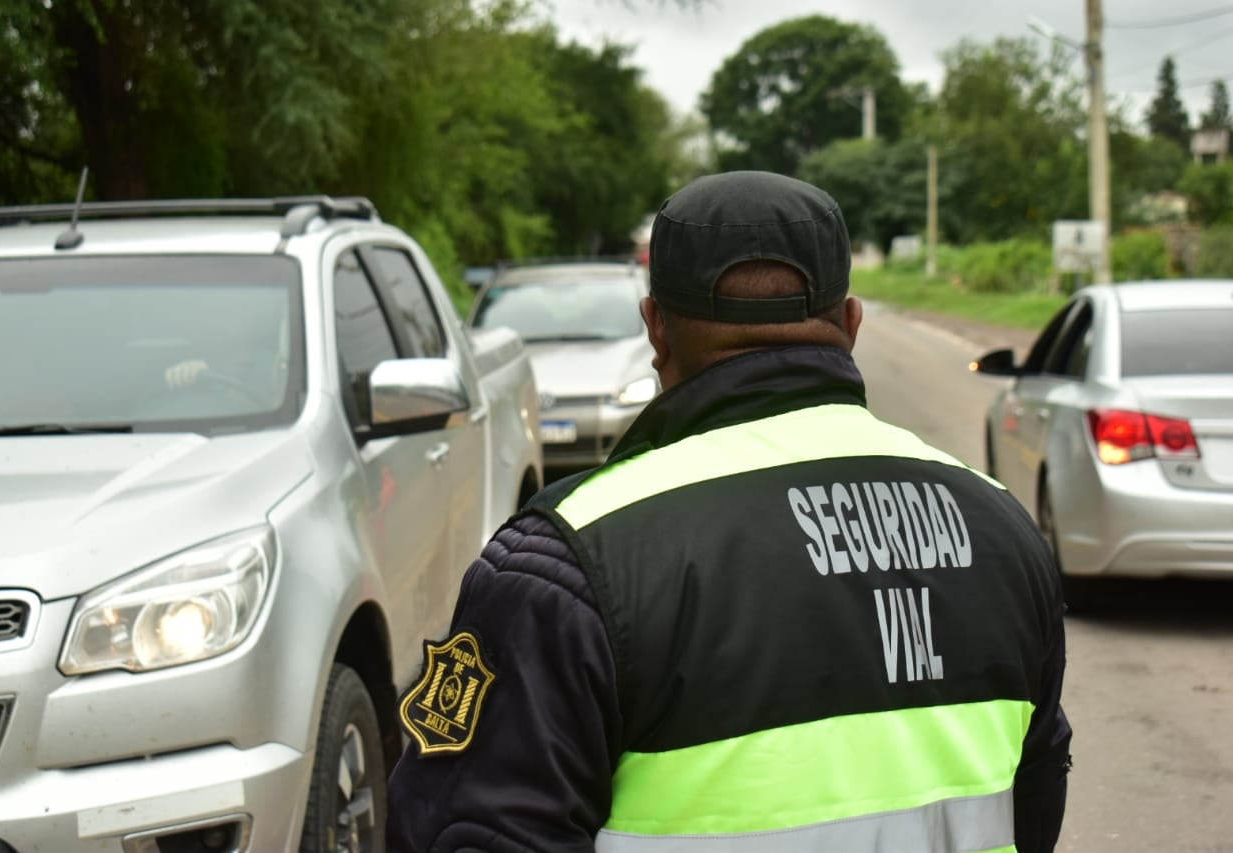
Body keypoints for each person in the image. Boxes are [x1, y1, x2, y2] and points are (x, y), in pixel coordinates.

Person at [386, 171, 1072, 853]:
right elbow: (1034, 799)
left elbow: (465, 829)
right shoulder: (1002, 529)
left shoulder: (569, 561)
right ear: (852, 324)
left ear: (656, 328)